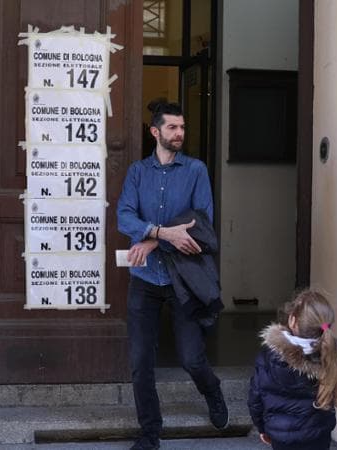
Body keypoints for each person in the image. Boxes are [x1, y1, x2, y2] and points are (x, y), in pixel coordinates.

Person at [117, 100, 227, 450]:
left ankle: (213, 391)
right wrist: (161, 235)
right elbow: (124, 217)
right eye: (172, 128)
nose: (180, 133)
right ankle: (150, 433)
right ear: (155, 132)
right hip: (145, 280)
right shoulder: (138, 172)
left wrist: (150, 240)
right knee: (140, 363)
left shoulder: (195, 170)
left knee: (192, 358)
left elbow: (199, 224)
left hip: (184, 279)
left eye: (182, 128)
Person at [247, 290, 337, 450]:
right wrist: (333, 346)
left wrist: (261, 427)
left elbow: (255, 399)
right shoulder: (332, 356)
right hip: (318, 435)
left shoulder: (268, 357)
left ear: (292, 320)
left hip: (280, 436)